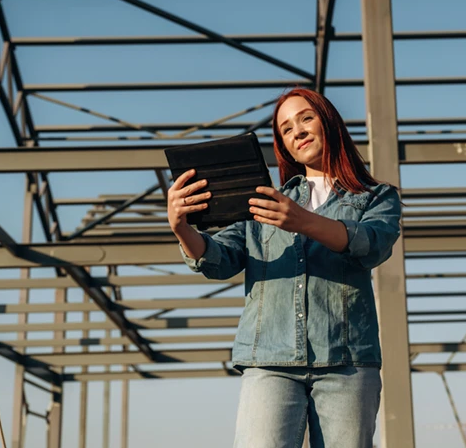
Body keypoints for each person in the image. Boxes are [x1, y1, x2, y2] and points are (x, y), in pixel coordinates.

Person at [167, 87, 402, 448]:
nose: (299, 131)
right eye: (287, 129)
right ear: (284, 146)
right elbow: (219, 258)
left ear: (329, 122)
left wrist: (302, 222)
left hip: (347, 362)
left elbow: (372, 245)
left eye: (306, 118)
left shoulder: (376, 197)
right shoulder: (262, 201)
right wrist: (182, 228)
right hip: (269, 360)